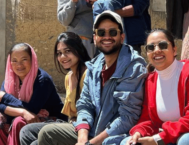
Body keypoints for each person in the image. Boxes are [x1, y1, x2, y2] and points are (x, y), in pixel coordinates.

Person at [37, 10, 147, 145]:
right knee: (47, 133)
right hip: (92, 130)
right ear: (94, 38)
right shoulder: (94, 66)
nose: (107, 37)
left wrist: (92, 143)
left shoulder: (133, 66)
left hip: (117, 136)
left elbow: (127, 117)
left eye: (112, 32)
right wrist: (82, 138)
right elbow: (85, 104)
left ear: (122, 37)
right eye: (101, 32)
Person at [122, 29, 189, 145]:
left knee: (185, 141)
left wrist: (159, 138)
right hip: (169, 136)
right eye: (151, 47)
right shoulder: (150, 80)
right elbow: (148, 119)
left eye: (163, 45)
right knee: (128, 142)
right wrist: (139, 133)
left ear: (174, 49)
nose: (157, 50)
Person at [19, 32, 92, 145]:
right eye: (59, 53)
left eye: (67, 51)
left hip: (86, 129)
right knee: (26, 131)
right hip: (71, 125)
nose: (62, 57)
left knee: (36, 142)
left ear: (78, 50)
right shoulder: (69, 77)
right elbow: (71, 116)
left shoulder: (88, 74)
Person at [0, 43, 67, 145]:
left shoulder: (42, 80)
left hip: (52, 121)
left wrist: (5, 97)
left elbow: (32, 109)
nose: (19, 65)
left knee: (19, 122)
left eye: (24, 59)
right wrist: (23, 112)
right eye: (14, 60)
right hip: (25, 116)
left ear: (32, 59)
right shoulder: (10, 80)